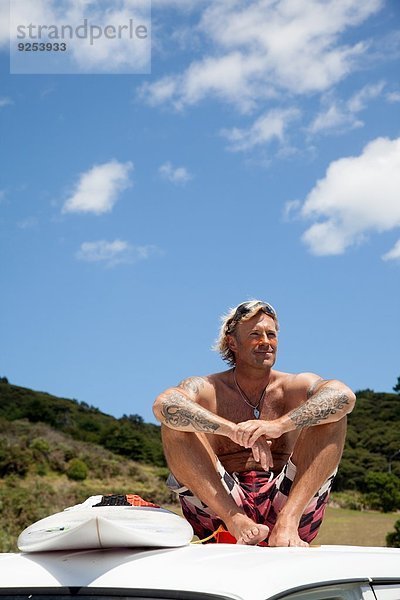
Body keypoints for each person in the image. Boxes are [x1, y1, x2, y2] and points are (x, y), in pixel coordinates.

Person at [153, 300, 355, 547]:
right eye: (255, 334)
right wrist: (232, 430)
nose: (266, 342)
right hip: (222, 506)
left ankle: (286, 523)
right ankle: (237, 521)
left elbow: (344, 397)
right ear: (232, 342)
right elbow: (164, 405)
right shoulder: (208, 388)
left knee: (332, 415)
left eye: (271, 334)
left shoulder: (293, 386)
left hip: (287, 500)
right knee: (175, 422)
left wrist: (279, 425)